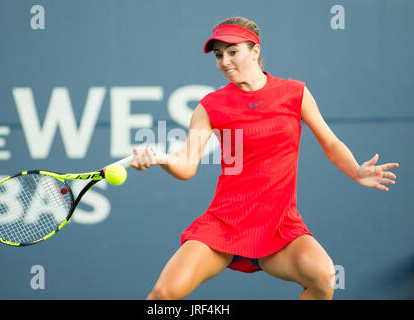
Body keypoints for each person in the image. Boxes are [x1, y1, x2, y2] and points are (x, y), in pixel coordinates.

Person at [131, 16, 399, 300]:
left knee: (323, 277)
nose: (224, 62)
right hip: (224, 224)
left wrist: (357, 171)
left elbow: (330, 141)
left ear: (255, 50)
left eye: (233, 52)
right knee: (163, 294)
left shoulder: (294, 93)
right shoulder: (209, 107)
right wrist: (160, 159)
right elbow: (186, 166)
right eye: (219, 55)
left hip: (279, 227)